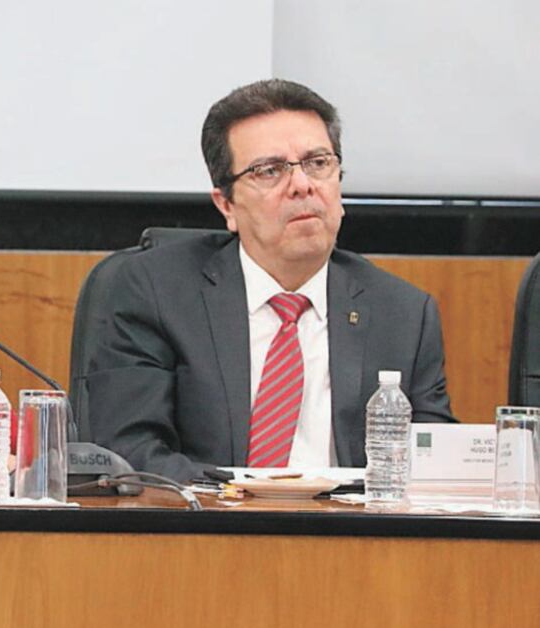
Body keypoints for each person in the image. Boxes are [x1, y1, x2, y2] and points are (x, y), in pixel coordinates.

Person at [87, 79, 455, 482]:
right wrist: (250, 496)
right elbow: (129, 452)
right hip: (207, 533)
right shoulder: (154, 292)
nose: (301, 185)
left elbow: (431, 470)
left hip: (352, 537)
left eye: (318, 163)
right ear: (226, 205)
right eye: (270, 171)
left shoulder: (402, 313)